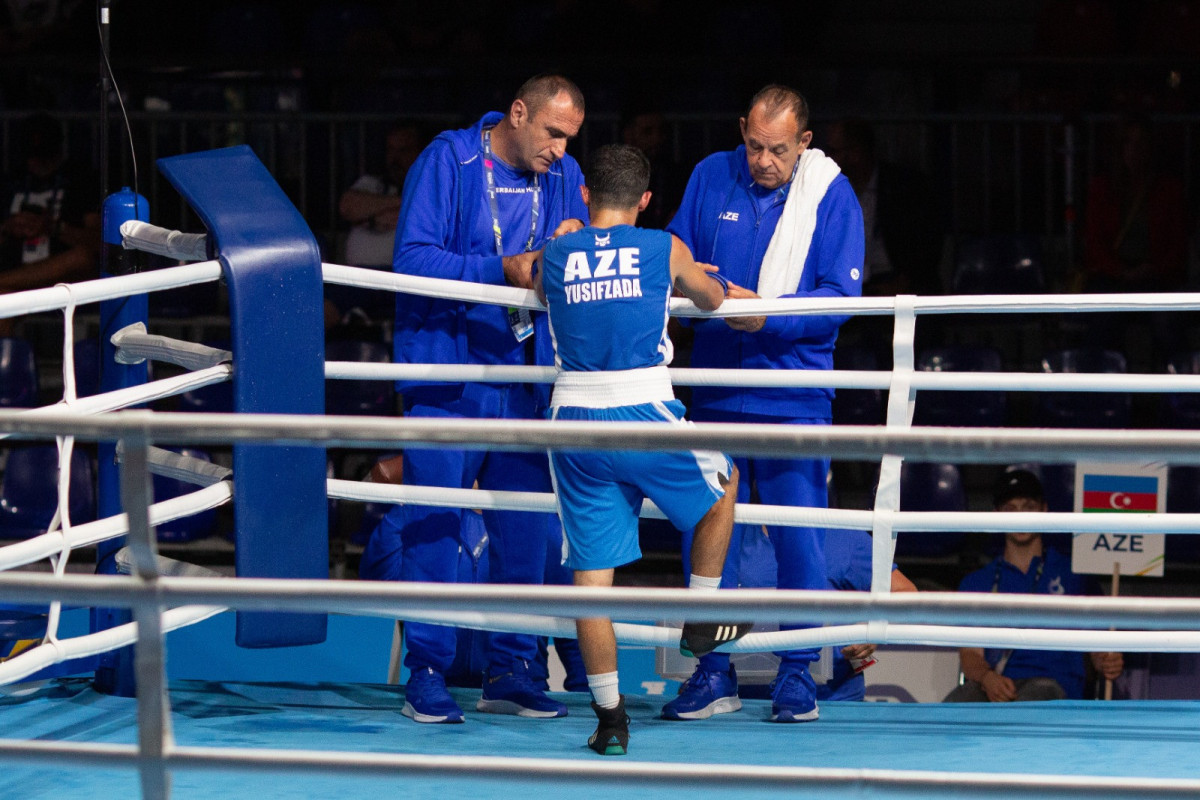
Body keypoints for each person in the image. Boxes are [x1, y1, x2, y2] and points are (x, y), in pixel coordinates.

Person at [383, 74, 589, 724]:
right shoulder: (448, 159)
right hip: (448, 374)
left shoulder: (563, 173)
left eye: (569, 138)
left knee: (525, 532)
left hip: (526, 378)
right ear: (518, 113)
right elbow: (411, 260)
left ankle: (514, 668)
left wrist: (573, 242)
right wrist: (498, 269)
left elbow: (571, 251)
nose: (559, 149)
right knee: (436, 527)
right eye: (552, 133)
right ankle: (427, 673)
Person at [536, 143, 750, 755]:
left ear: (585, 194)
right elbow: (713, 302)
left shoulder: (557, 253)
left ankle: (609, 721)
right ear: (646, 201)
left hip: (572, 420)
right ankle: (703, 617)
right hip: (643, 410)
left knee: (591, 584)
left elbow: (535, 282)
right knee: (724, 484)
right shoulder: (663, 247)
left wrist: (566, 241)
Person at [664, 84, 864, 723]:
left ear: (804, 142)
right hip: (717, 386)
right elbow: (675, 254)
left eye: (777, 149)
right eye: (753, 145)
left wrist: (765, 318)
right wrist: (711, 291)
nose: (762, 160)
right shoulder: (708, 175)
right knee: (710, 537)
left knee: (799, 541)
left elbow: (840, 299)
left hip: (794, 392)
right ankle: (712, 670)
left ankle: (798, 674)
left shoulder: (832, 193)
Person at [944, 469, 1125, 702]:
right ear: (996, 514)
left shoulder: (1075, 575)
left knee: (1040, 693)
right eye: (1010, 509)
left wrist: (1107, 660)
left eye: (1028, 507)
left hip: (1053, 689)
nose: (1020, 516)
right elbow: (970, 656)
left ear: (1044, 510)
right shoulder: (975, 583)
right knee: (956, 704)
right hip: (995, 687)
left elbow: (1098, 648)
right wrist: (988, 679)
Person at [0, 112, 100, 334]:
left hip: (63, 275)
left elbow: (95, 243)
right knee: (3, 299)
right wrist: (9, 227)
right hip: (16, 269)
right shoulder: (11, 181)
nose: (36, 161)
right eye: (31, 154)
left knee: (80, 257)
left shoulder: (80, 179)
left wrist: (53, 228)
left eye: (42, 155)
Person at [824, 117, 944, 297]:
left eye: (833, 151)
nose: (827, 158)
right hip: (844, 287)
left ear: (856, 153)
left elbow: (927, 243)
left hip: (897, 286)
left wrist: (903, 283)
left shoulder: (904, 187)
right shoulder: (827, 190)